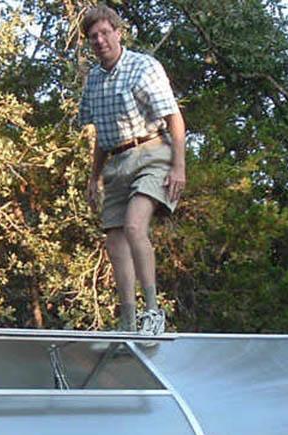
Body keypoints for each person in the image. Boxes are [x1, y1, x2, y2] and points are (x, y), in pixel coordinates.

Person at [78, 4, 186, 335]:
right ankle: (127, 320)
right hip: (117, 162)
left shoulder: (143, 67)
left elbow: (174, 118)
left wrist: (179, 167)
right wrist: (94, 177)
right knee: (114, 240)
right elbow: (100, 132)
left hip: (152, 152)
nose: (100, 41)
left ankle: (153, 313)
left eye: (105, 33)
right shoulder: (94, 79)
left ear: (118, 32)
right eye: (93, 36)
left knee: (135, 226)